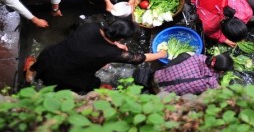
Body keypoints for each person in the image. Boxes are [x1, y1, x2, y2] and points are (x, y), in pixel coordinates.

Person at [29, 18, 167, 93]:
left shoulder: (91, 27)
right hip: (63, 74)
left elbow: (92, 43)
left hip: (50, 56)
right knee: (89, 83)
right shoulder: (111, 53)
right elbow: (140, 58)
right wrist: (161, 54)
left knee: (41, 68)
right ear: (122, 39)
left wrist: (115, 45)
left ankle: (31, 70)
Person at [151, 52, 233, 95]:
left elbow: (191, 54)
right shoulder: (211, 83)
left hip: (155, 76)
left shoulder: (198, 57)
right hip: (162, 95)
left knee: (186, 55)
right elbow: (221, 90)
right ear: (221, 71)